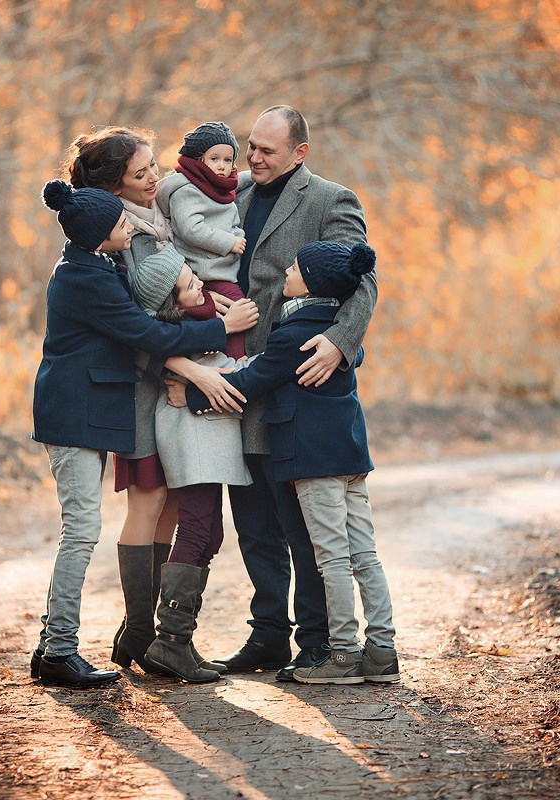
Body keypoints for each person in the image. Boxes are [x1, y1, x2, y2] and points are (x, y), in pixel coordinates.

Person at [171, 105, 379, 681]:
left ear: (300, 153)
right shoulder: (224, 192)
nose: (252, 158)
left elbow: (362, 280)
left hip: (295, 382)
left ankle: (316, 641)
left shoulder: (330, 200)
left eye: (266, 150)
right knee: (254, 522)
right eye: (250, 147)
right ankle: (268, 636)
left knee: (303, 524)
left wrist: (339, 341)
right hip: (232, 371)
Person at [29, 180, 258, 688]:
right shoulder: (84, 279)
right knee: (81, 530)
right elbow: (147, 334)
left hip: (89, 413)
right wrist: (221, 330)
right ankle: (59, 649)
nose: (130, 225)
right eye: (119, 223)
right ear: (97, 236)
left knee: (83, 529)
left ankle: (67, 644)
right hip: (74, 415)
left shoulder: (94, 264)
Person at [184, 241, 398, 684]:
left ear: (313, 282)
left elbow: (250, 383)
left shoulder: (291, 334)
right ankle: (382, 650)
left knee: (332, 559)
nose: (287, 268)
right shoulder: (338, 335)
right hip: (351, 456)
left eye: (296, 266)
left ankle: (341, 655)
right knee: (364, 554)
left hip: (311, 462)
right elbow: (344, 355)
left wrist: (189, 394)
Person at [64, 126, 194, 675]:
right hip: (143, 386)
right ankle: (139, 629)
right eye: (142, 175)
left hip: (172, 385)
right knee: (149, 499)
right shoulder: (122, 240)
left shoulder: (154, 219)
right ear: (115, 189)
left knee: (175, 501)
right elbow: (142, 324)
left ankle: (147, 631)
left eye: (153, 168)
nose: (154, 179)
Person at [126, 244, 251, 682]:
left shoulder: (195, 320)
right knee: (198, 526)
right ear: (171, 300)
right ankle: (169, 641)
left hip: (205, 433)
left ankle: (180, 639)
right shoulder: (180, 330)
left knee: (211, 531)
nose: (200, 283)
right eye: (190, 284)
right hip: (188, 429)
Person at [156, 121, 249, 358]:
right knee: (237, 309)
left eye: (227, 160)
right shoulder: (187, 190)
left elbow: (231, 223)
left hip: (220, 267)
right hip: (205, 269)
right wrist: (228, 242)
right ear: (199, 160)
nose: (222, 166)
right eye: (214, 159)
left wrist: (236, 236)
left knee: (221, 315)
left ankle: (218, 359)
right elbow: (191, 228)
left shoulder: (218, 188)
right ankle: (237, 360)